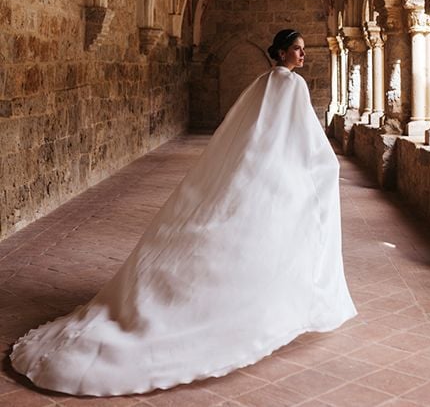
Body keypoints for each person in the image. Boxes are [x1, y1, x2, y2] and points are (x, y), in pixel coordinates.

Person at [10, 29, 357, 397]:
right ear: (283, 52)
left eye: (303, 50)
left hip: (257, 170)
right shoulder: (293, 86)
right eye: (298, 50)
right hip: (277, 174)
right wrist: (323, 168)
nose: (303, 56)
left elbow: (250, 136)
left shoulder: (264, 81)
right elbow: (305, 140)